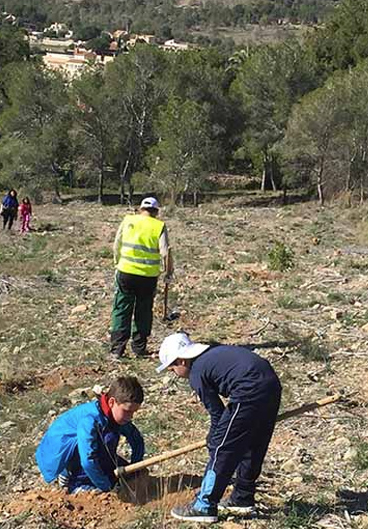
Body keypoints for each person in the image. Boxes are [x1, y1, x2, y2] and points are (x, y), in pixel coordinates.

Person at [157, 332, 282, 524]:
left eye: (172, 368)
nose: (173, 373)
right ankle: (242, 497)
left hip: (248, 390)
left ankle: (204, 505)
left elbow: (217, 413)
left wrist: (214, 440)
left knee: (222, 448)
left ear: (181, 360)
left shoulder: (197, 372)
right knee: (254, 442)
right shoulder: (213, 354)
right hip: (271, 385)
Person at [35, 376, 145, 494]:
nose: (130, 417)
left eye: (134, 412)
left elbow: (136, 440)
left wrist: (136, 466)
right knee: (108, 439)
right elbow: (88, 460)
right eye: (127, 411)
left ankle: (94, 476)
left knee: (125, 474)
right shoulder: (90, 420)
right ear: (112, 402)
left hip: (83, 450)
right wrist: (107, 487)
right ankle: (74, 482)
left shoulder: (116, 415)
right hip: (59, 455)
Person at [110, 197, 173, 360]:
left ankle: (117, 349)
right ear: (156, 211)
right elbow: (165, 252)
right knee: (143, 311)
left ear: (140, 209)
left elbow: (117, 243)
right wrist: (168, 273)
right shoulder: (159, 226)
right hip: (148, 277)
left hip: (125, 272)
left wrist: (117, 263)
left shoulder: (128, 220)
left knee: (122, 309)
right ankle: (139, 348)